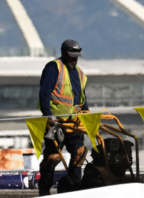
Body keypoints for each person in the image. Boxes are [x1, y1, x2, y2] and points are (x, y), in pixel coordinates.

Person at [37, 39, 89, 195]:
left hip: (73, 124)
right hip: (56, 123)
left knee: (79, 153)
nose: (74, 59)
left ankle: (75, 189)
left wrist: (86, 116)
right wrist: (48, 116)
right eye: (71, 55)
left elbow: (82, 98)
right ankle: (44, 192)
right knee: (52, 158)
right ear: (63, 53)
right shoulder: (54, 67)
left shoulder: (79, 73)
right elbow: (45, 93)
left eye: (76, 56)